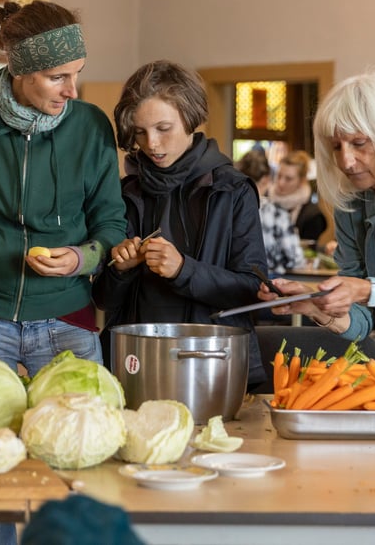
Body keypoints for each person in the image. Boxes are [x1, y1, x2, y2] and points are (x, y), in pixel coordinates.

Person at [0, 0, 126, 377]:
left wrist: (81, 259)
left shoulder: (92, 127)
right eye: (57, 77)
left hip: (67, 321)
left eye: (76, 74)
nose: (72, 91)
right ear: (20, 70)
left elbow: (112, 224)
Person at [92, 60, 267, 388]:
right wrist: (120, 269)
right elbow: (103, 299)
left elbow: (252, 291)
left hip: (213, 365)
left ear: (190, 119)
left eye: (163, 128)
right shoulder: (122, 191)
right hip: (133, 363)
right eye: (140, 132)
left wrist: (183, 270)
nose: (152, 144)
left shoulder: (233, 190)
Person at [256, 71, 375, 362]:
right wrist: (314, 304)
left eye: (359, 143)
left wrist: (367, 289)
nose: (346, 162)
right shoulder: (355, 200)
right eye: (336, 146)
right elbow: (362, 320)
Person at [236, 149, 305, 275]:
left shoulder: (230, 209)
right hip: (268, 282)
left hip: (234, 281)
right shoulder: (277, 213)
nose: (280, 183)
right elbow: (295, 259)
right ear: (266, 179)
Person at [269, 149, 329, 245]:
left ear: (302, 181)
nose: (281, 183)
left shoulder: (313, 215)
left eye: (288, 179)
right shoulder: (264, 202)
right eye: (279, 176)